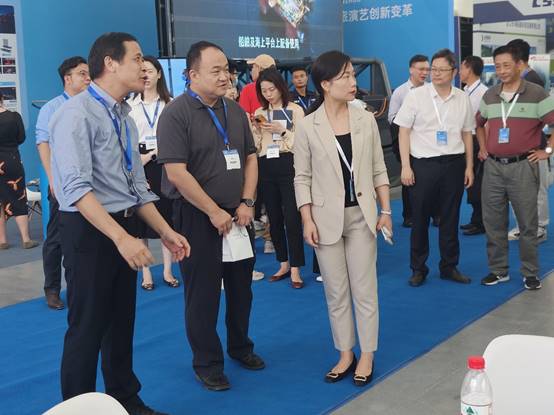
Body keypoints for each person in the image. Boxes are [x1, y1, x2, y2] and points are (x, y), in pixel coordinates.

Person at [49, 32, 190, 415]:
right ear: (110, 63)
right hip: (90, 229)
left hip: (121, 225)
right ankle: (78, 408)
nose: (145, 67)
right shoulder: (75, 114)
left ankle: (124, 399)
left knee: (120, 322)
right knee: (87, 326)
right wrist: (120, 238)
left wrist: (165, 231)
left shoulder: (124, 117)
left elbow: (137, 188)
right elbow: (75, 190)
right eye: (137, 58)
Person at [158, 41, 265, 392]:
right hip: (196, 217)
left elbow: (250, 158)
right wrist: (213, 211)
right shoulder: (176, 113)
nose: (224, 77)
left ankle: (241, 347)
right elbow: (176, 173)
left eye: (226, 70)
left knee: (241, 290)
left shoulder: (233, 110)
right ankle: (207, 363)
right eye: (215, 71)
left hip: (238, 215)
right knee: (203, 294)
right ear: (193, 74)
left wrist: (247, 202)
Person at [294, 50, 391, 386]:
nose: (353, 82)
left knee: (365, 289)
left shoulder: (365, 119)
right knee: (335, 292)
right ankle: (345, 352)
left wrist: (386, 210)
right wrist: (307, 219)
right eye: (345, 76)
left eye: (352, 75)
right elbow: (302, 177)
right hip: (324, 219)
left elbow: (379, 169)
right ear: (325, 84)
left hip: (362, 216)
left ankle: (367, 354)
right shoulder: (307, 126)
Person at [476, 45, 554, 291]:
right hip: (493, 167)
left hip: (523, 166)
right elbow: (479, 123)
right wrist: (483, 148)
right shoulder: (490, 95)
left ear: (519, 65)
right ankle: (498, 271)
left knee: (527, 223)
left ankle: (530, 272)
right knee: (493, 221)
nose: (501, 71)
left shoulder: (536, 93)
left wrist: (547, 151)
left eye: (506, 65)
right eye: (497, 66)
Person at [395, 48, 475, 287]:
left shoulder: (462, 98)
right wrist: (406, 166)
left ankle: (449, 266)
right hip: (424, 165)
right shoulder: (416, 96)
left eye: (442, 70)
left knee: (450, 217)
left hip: (454, 164)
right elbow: (403, 132)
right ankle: (418, 268)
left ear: (454, 72)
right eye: (433, 69)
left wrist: (469, 166)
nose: (436, 73)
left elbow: (467, 133)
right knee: (419, 218)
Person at [36, 56, 91, 310]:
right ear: (68, 79)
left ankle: (81, 287)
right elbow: (43, 144)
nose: (88, 78)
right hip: (63, 186)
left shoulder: (91, 105)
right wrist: (53, 180)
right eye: (82, 74)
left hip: (90, 184)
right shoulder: (52, 108)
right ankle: (52, 289)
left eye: (88, 73)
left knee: (86, 238)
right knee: (57, 239)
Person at [128, 55, 180, 291]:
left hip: (165, 161)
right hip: (140, 163)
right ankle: (146, 273)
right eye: (142, 71)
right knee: (141, 218)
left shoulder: (171, 104)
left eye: (150, 71)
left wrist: (159, 152)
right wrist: (142, 158)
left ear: (159, 74)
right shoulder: (130, 105)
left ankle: (168, 270)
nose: (146, 75)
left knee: (165, 215)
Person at [252, 68, 305, 288]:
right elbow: (257, 147)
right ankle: (283, 263)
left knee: (292, 218)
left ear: (280, 87)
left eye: (271, 89)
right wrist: (256, 130)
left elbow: (302, 143)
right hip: (266, 165)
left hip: (288, 163)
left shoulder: (295, 110)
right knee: (273, 218)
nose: (268, 94)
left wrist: (282, 130)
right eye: (264, 91)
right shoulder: (260, 111)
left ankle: (296, 268)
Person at [506, 38, 550, 243]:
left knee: (537, 188)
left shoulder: (534, 81)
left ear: (518, 59)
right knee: (517, 190)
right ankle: (522, 225)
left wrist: (547, 150)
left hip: (534, 145)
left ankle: (539, 226)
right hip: (515, 147)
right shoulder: (513, 82)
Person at [388, 55, 430, 228]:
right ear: (411, 70)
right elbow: (391, 118)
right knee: (409, 179)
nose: (425, 73)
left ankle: (434, 214)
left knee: (431, 179)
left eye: (427, 69)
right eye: (421, 69)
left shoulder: (431, 90)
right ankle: (409, 215)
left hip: (427, 143)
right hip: (407, 143)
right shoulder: (400, 92)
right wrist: (409, 121)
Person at [0, 92, 39, 251]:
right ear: (2, 99)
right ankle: (26, 239)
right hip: (12, 160)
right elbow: (21, 137)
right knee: (19, 197)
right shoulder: (14, 117)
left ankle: (2, 241)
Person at [459, 56, 488, 236]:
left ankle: (481, 222)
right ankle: (475, 219)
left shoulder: (483, 92)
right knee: (470, 183)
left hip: (477, 141)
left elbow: (486, 123)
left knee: (478, 183)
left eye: (462, 68)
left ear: (469, 69)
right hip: (465, 140)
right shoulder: (465, 91)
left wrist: (484, 148)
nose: (460, 71)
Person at [239, 53, 276, 119]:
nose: (251, 71)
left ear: (259, 68)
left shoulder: (248, 89)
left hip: (256, 124)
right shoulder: (279, 87)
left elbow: (244, 116)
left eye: (253, 67)